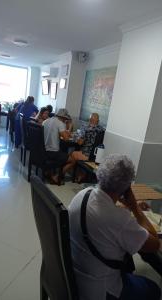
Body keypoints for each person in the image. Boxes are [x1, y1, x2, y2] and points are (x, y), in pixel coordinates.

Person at [68, 154, 161, 300]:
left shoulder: (82, 194)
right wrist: (135, 208)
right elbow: (155, 244)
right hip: (99, 289)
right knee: (153, 288)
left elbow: (106, 212)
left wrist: (126, 206)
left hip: (75, 273)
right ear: (127, 187)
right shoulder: (119, 220)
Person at [43, 108, 79, 183]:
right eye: (65, 119)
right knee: (73, 160)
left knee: (62, 152)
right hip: (53, 153)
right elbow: (66, 138)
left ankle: (48, 172)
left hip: (44, 150)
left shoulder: (46, 121)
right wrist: (69, 127)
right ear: (63, 118)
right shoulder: (60, 123)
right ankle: (57, 176)